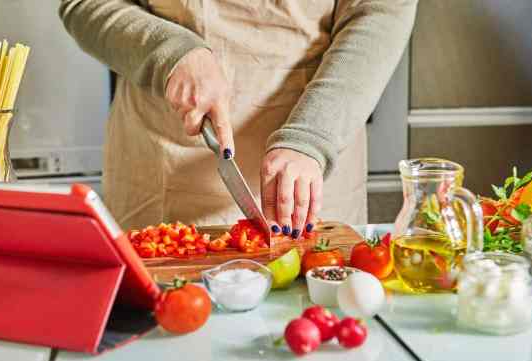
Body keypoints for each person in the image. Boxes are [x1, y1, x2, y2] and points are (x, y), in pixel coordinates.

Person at [59, 0, 417, 236]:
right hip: (164, 173)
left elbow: (381, 11)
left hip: (310, 166)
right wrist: (169, 53)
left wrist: (311, 135)